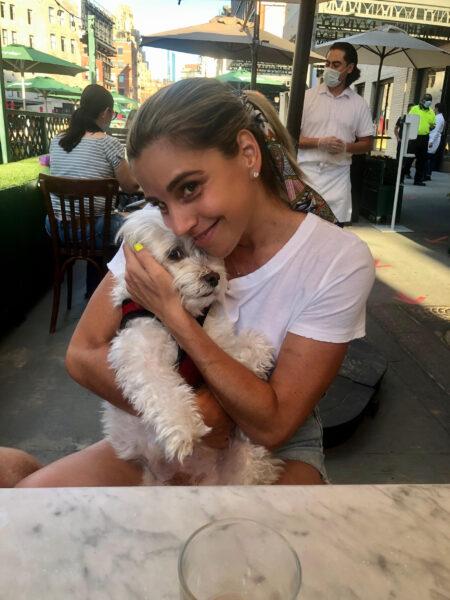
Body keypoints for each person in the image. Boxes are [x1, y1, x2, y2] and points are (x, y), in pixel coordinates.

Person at [17, 78, 375, 488]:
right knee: (31, 496)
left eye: (190, 187)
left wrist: (176, 318)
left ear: (247, 153)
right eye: (159, 203)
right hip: (161, 424)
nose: (180, 223)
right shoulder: (158, 233)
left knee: (227, 548)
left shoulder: (336, 260)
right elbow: (82, 354)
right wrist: (195, 411)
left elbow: (273, 425)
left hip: (268, 447)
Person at [48, 84, 140, 294]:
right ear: (105, 112)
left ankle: (93, 289)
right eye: (112, 112)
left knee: (105, 219)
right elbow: (131, 186)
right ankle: (112, 291)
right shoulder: (108, 143)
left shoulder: (57, 140)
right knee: (134, 226)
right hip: (94, 230)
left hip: (56, 227)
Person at [298, 42, 374, 225]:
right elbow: (290, 138)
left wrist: (345, 147)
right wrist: (318, 143)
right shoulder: (307, 98)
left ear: (349, 68)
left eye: (336, 64)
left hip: (337, 178)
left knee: (333, 235)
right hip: (306, 175)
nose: (329, 68)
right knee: (301, 233)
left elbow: (367, 143)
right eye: (327, 63)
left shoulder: (358, 104)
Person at [408, 93, 436, 186]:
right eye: (427, 100)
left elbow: (433, 124)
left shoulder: (431, 112)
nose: (428, 102)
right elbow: (409, 120)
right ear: (422, 100)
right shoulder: (415, 109)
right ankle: (401, 177)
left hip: (424, 137)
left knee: (422, 159)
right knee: (409, 157)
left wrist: (432, 127)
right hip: (414, 136)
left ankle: (418, 180)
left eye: (430, 101)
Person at [394, 102, 414, 178]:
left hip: (410, 142)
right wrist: (398, 138)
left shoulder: (414, 119)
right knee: (399, 158)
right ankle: (397, 173)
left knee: (408, 159)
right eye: (411, 109)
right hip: (401, 141)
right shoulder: (402, 118)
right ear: (408, 109)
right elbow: (396, 129)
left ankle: (405, 172)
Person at [426, 102, 446, 179]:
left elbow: (435, 131)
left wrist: (431, 141)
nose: (434, 109)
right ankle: (428, 174)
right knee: (431, 158)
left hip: (434, 139)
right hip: (435, 139)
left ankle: (427, 174)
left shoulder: (438, 118)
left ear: (437, 108)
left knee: (428, 157)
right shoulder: (440, 117)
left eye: (435, 108)